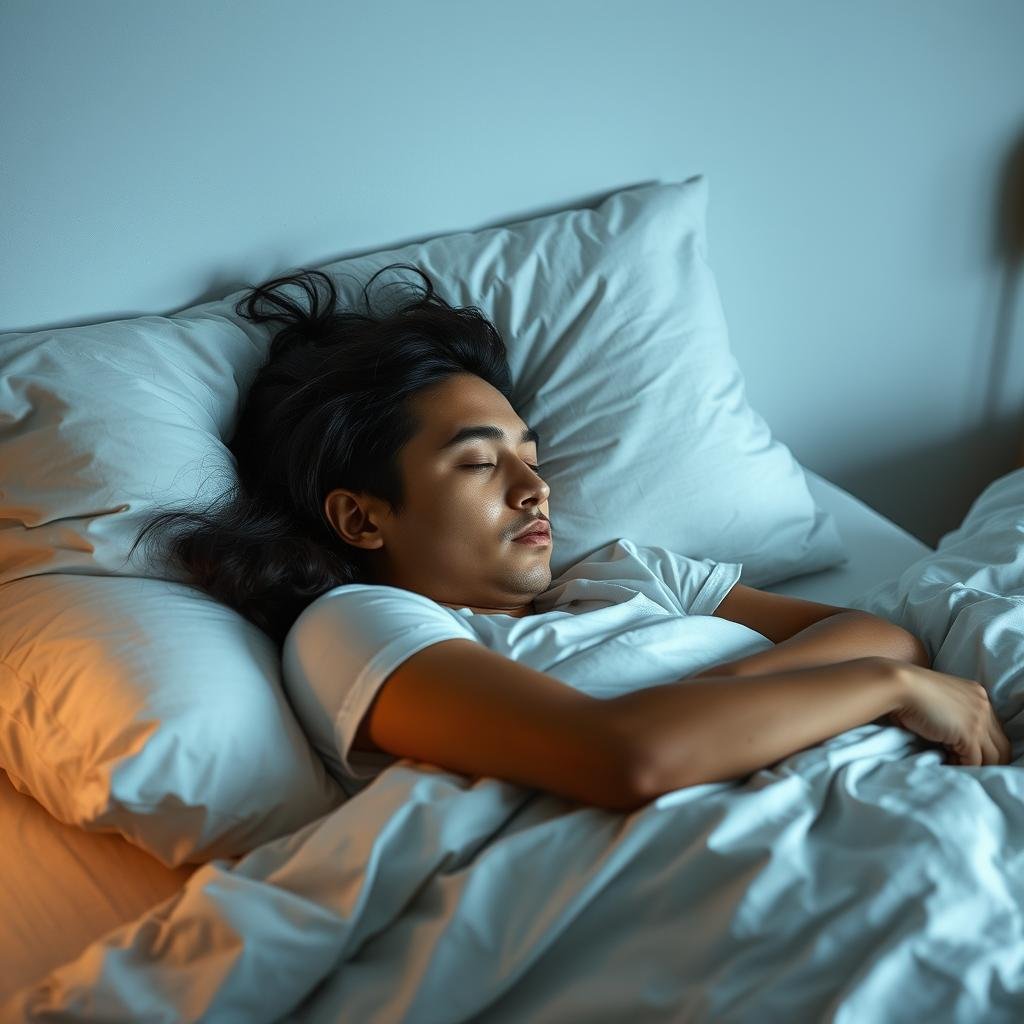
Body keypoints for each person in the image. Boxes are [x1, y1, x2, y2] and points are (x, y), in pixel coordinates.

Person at [131, 265, 1011, 812]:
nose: (534, 486)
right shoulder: (356, 625)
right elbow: (623, 755)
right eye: (479, 465)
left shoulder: (632, 572)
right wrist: (883, 686)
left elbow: (883, 633)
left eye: (531, 454)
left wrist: (718, 691)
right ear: (363, 516)